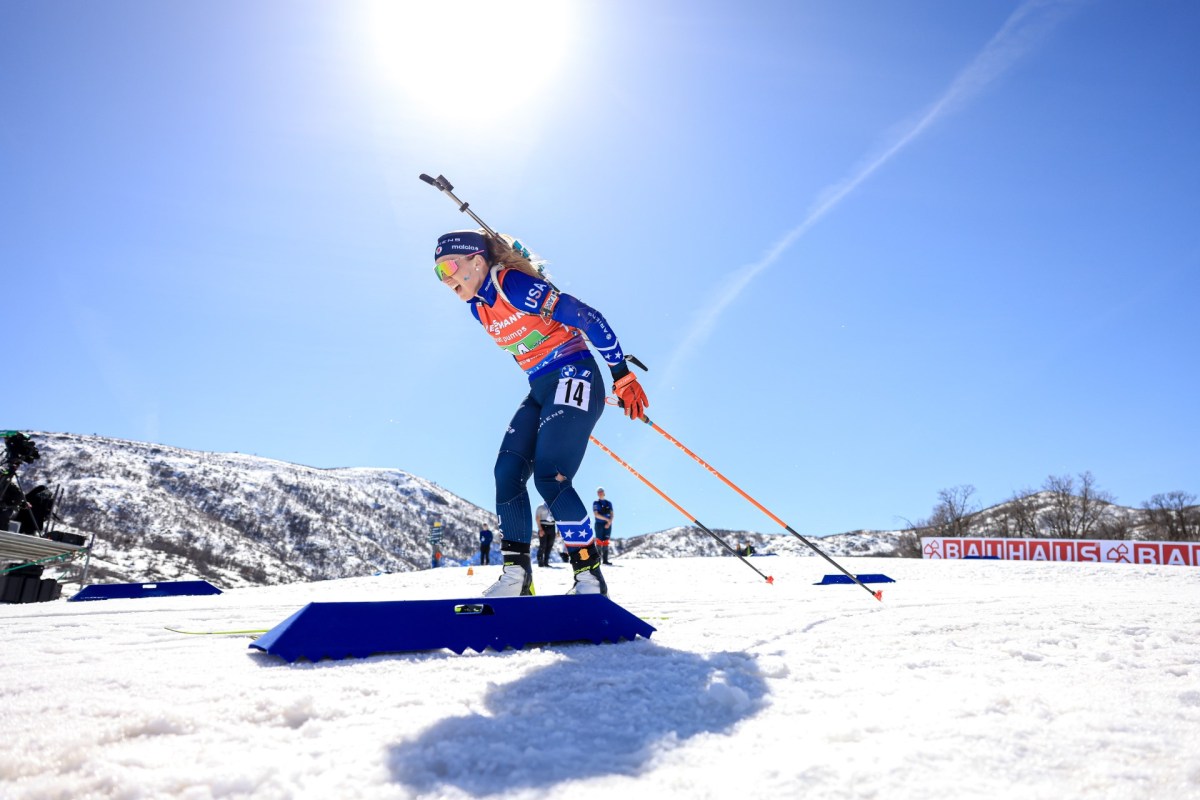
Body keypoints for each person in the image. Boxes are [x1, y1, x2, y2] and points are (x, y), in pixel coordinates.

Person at [431, 229, 648, 596]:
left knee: (550, 476)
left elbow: (587, 317)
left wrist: (621, 375)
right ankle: (517, 577)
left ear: (478, 261)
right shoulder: (477, 308)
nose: (445, 278)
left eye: (449, 267)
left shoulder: (511, 284)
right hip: (542, 385)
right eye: (438, 273)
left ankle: (589, 577)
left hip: (575, 372)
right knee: (507, 470)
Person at [592, 487, 614, 565]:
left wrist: (609, 522)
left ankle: (605, 560)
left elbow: (612, 514)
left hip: (608, 524)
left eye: (601, 491)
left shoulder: (609, 503)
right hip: (599, 524)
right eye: (599, 492)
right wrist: (606, 519)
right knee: (599, 542)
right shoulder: (596, 503)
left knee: (606, 541)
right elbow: (596, 514)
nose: (600, 493)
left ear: (604, 493)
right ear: (597, 494)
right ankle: (598, 561)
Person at [534, 502, 556, 568]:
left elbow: (558, 519)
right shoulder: (541, 507)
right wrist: (540, 529)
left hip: (552, 527)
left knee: (549, 546)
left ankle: (546, 563)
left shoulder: (554, 507)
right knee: (543, 545)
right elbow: (537, 518)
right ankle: (540, 563)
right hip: (543, 527)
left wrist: (558, 531)